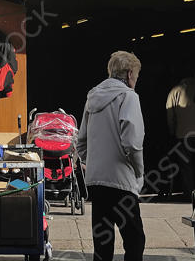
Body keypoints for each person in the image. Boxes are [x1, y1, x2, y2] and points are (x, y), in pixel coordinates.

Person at [76, 51, 146, 261]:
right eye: (136, 75)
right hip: (121, 181)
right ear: (129, 73)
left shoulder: (92, 96)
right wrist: (139, 172)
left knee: (102, 244)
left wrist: (95, 161)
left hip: (97, 181)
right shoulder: (129, 97)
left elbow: (81, 142)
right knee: (135, 240)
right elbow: (132, 142)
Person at [165, 75, 195, 199]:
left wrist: (172, 129)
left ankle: (189, 193)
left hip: (182, 134)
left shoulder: (175, 91)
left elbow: (169, 113)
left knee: (186, 166)